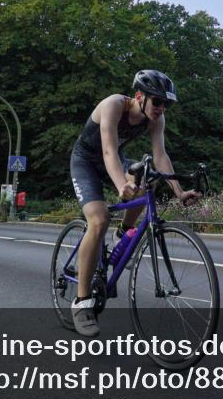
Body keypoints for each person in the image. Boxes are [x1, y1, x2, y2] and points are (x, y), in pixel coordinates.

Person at [69, 70, 202, 337]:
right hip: (86, 161)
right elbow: (107, 150)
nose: (161, 108)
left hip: (115, 159)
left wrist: (178, 191)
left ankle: (123, 236)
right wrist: (121, 185)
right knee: (98, 219)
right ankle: (82, 302)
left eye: (166, 104)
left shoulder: (156, 118)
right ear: (139, 96)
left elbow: (160, 155)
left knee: (148, 179)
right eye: (157, 102)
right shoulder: (113, 105)